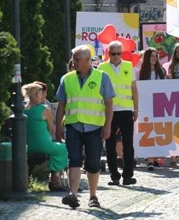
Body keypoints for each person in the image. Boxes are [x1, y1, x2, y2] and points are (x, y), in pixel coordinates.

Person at [56, 45, 115, 209]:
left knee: (93, 163)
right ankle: (73, 195)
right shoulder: (66, 79)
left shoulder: (102, 77)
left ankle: (93, 196)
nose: (73, 62)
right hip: (73, 126)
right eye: (73, 59)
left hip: (94, 127)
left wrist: (108, 126)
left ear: (88, 60)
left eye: (76, 59)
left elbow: (109, 103)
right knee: (73, 160)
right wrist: (58, 126)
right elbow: (61, 104)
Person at [98, 41, 138, 187]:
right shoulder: (102, 67)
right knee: (110, 144)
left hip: (126, 109)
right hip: (109, 111)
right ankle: (114, 175)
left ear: (122, 53)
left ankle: (128, 175)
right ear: (108, 53)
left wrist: (136, 108)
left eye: (118, 53)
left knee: (128, 144)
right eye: (113, 53)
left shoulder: (128, 66)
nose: (115, 57)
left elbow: (134, 88)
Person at [22, 82, 68, 191]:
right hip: (43, 145)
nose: (44, 95)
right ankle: (54, 180)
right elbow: (52, 129)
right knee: (64, 148)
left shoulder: (23, 109)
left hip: (27, 146)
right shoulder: (45, 109)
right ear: (37, 95)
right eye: (42, 93)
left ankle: (28, 179)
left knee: (55, 149)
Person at [136, 47, 166, 171]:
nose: (154, 58)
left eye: (155, 56)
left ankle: (154, 157)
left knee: (158, 130)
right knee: (148, 130)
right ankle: (150, 159)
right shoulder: (140, 73)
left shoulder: (161, 71)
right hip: (145, 106)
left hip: (159, 105)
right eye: (151, 56)